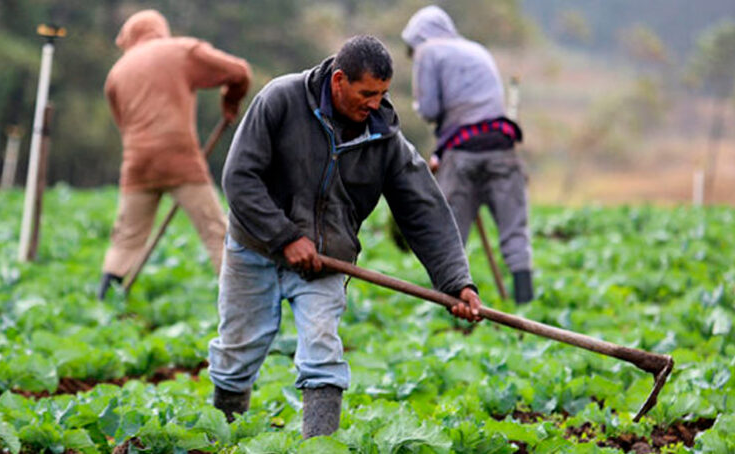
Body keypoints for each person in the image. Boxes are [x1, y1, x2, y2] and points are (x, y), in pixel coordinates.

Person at [207, 35, 482, 438]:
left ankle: (320, 446)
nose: (375, 103)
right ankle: (218, 439)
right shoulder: (280, 101)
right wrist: (284, 236)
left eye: (383, 93)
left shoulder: (383, 136)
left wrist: (457, 282)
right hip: (256, 249)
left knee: (323, 353)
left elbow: (425, 210)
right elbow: (239, 178)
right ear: (339, 81)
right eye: (367, 93)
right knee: (236, 355)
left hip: (326, 260)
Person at [98, 10, 251, 299]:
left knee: (126, 238)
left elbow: (123, 125)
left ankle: (104, 302)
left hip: (137, 163)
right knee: (215, 231)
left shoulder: (116, 74)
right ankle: (239, 303)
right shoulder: (180, 51)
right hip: (180, 160)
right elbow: (240, 72)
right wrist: (230, 101)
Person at [401, 5, 534, 304]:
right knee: (515, 234)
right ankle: (528, 308)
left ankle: (457, 317)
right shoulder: (477, 49)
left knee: (452, 237)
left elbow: (430, 109)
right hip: (503, 147)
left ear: (417, 37)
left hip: (461, 152)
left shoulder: (427, 51)